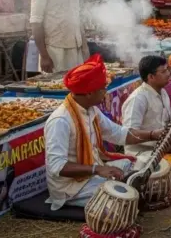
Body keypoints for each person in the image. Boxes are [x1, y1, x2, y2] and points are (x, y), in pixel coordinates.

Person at [44, 55, 164, 210]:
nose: (106, 92)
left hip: (92, 172)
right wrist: (97, 169)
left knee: (135, 164)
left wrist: (152, 134)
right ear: (88, 93)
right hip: (72, 188)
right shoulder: (60, 120)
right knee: (123, 196)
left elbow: (119, 134)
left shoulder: (91, 110)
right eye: (102, 88)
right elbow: (57, 167)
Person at [121, 55, 171, 156]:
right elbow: (130, 134)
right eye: (163, 72)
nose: (168, 74)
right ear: (151, 77)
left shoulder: (163, 92)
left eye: (167, 69)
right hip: (142, 153)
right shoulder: (138, 99)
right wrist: (152, 136)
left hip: (161, 147)